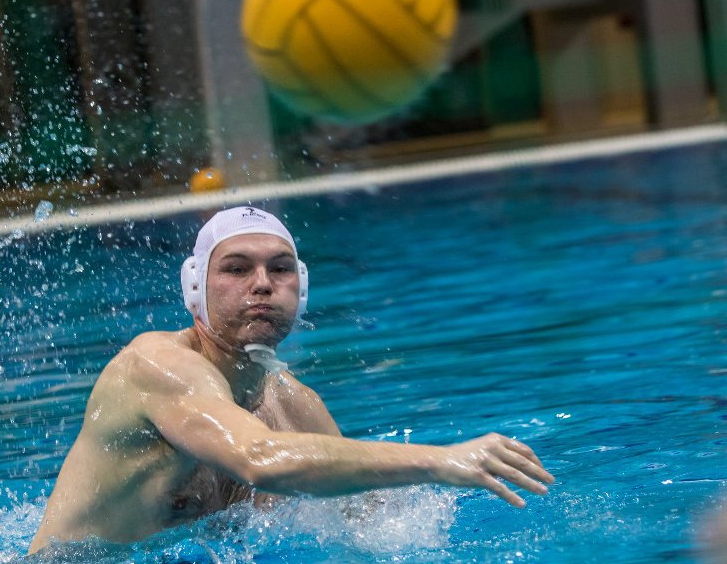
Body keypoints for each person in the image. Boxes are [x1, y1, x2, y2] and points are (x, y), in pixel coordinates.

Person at [29, 206, 554, 554]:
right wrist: (442, 460)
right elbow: (258, 460)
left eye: (280, 269)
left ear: (301, 287)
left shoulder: (293, 406)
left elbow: (366, 523)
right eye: (236, 269)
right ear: (196, 289)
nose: (262, 284)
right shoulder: (156, 367)